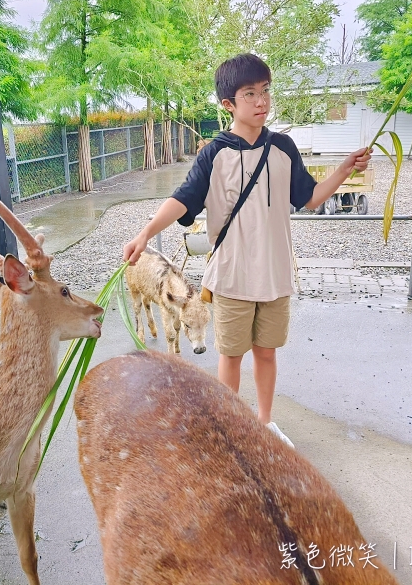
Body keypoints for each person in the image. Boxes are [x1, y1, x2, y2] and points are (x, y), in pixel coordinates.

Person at [123, 53, 372, 448]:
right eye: (250, 93)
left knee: (267, 354)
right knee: (232, 357)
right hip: (233, 276)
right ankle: (230, 428)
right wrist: (145, 232)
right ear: (229, 105)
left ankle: (264, 423)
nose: (261, 101)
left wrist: (344, 169)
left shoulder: (283, 148)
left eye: (266, 91)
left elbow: (308, 198)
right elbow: (184, 199)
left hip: (274, 275)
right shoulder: (213, 154)